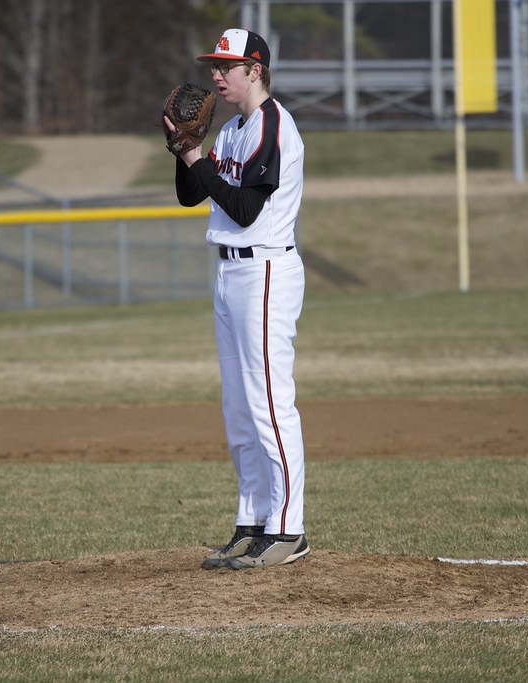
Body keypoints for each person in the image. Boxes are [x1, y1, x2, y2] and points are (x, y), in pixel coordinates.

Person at [164, 28, 309, 570]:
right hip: (230, 276)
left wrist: (197, 152)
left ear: (256, 69)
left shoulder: (273, 125)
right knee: (240, 408)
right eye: (214, 66)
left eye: (226, 66)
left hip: (266, 269)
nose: (216, 75)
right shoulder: (231, 131)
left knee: (270, 402)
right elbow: (189, 194)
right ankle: (253, 522)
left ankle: (289, 529)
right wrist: (183, 151)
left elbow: (246, 208)